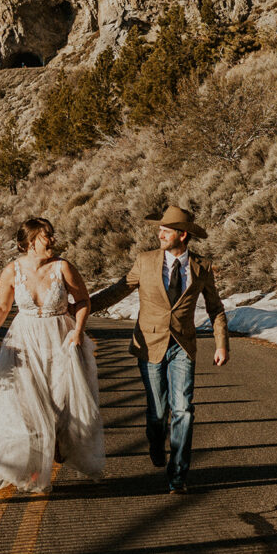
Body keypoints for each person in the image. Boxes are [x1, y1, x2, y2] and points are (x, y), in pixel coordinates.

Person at [90, 204, 229, 494]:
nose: (160, 233)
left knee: (184, 410)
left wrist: (221, 344)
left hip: (183, 347)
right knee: (157, 412)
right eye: (161, 229)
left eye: (166, 230)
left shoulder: (202, 267)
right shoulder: (145, 261)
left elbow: (215, 308)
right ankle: (155, 441)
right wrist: (82, 308)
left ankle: (178, 475)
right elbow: (118, 290)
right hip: (149, 344)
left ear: (182, 235)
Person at [0, 217, 105, 493]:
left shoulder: (63, 267)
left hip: (60, 340)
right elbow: (1, 307)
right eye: (47, 236)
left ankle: (59, 448)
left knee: (60, 405)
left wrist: (79, 330)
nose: (53, 240)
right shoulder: (12, 271)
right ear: (31, 242)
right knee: (26, 406)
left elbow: (83, 300)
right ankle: (33, 467)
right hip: (24, 343)